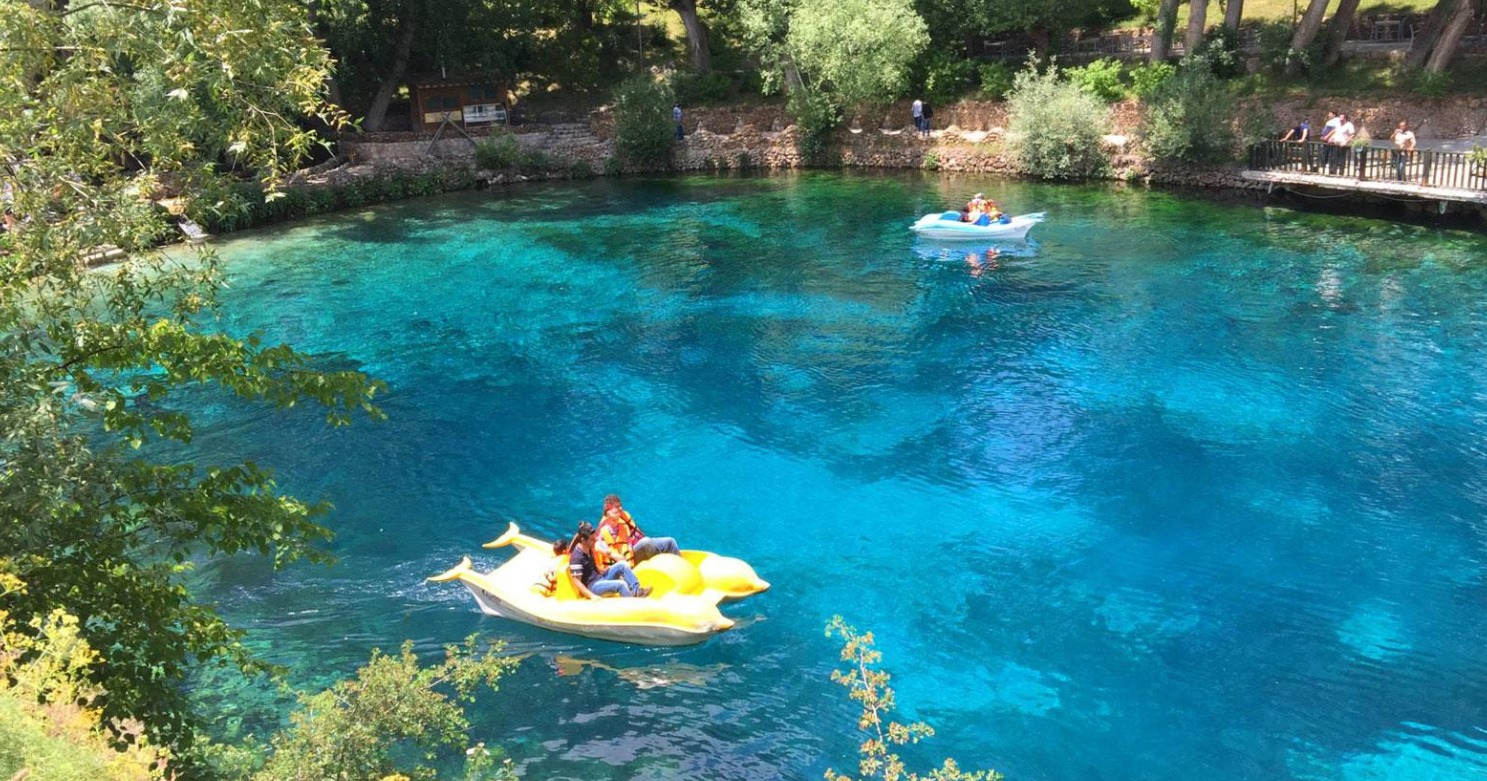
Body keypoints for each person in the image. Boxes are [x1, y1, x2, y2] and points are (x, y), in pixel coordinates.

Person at [569, 522, 650, 599]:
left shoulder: (588, 548)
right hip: (593, 587)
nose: (595, 540)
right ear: (583, 540)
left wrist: (603, 570)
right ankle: (631, 605)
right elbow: (577, 581)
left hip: (600, 578)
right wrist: (592, 596)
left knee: (622, 565)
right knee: (621, 584)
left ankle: (637, 591)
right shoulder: (577, 557)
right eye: (592, 539)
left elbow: (591, 567)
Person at [597, 494, 679, 566]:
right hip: (632, 554)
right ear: (608, 511)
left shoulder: (623, 516)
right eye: (617, 507)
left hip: (640, 544)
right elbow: (598, 545)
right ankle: (660, 565)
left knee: (670, 542)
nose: (620, 508)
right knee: (646, 542)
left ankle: (680, 567)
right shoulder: (605, 527)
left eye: (620, 505)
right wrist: (613, 555)